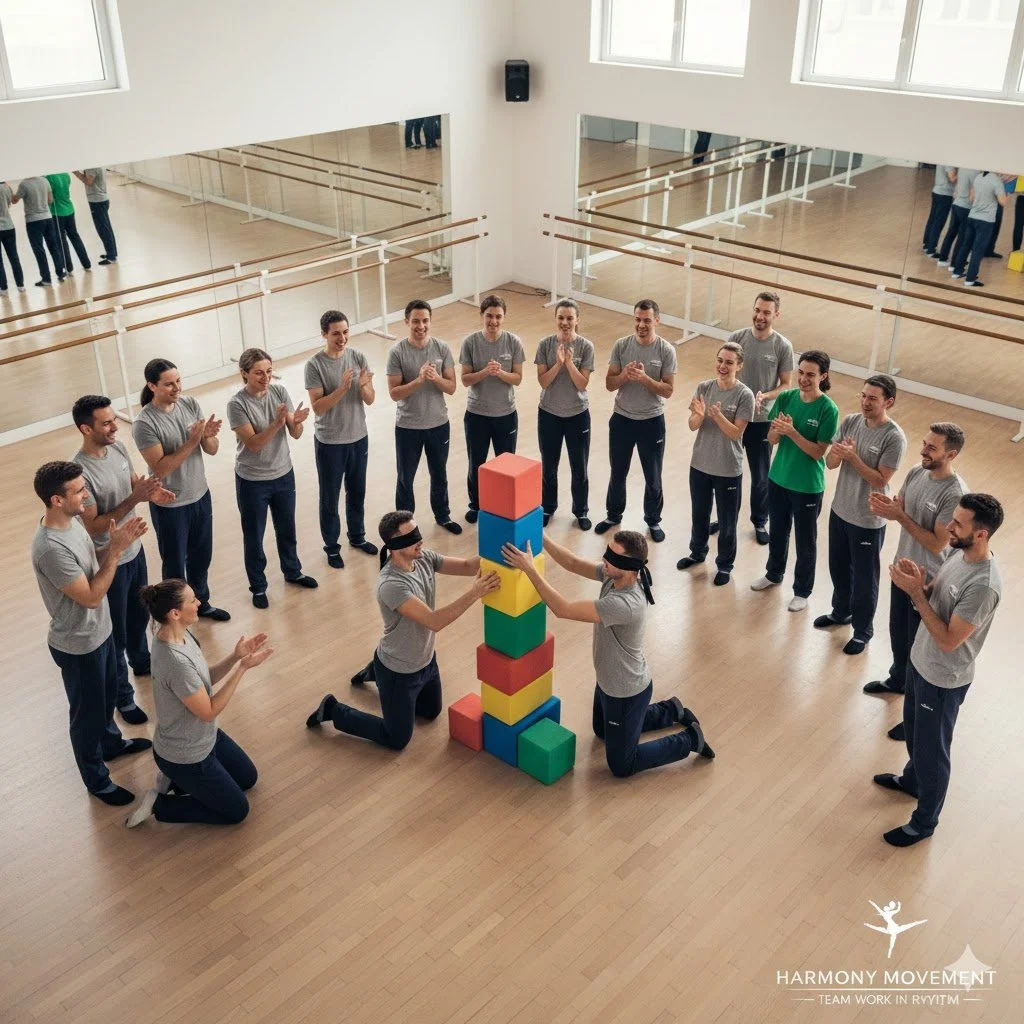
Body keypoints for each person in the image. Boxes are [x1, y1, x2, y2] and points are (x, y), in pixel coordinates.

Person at [503, 532, 715, 777]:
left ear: (628, 566)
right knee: (601, 730)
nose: (605, 559)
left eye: (612, 556)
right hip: (607, 680)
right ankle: (671, 711)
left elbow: (563, 609)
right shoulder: (614, 576)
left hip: (625, 691)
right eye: (607, 551)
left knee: (622, 765)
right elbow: (572, 563)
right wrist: (542, 537)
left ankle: (689, 740)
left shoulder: (626, 604)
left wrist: (530, 570)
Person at [306, 512, 499, 750]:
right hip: (399, 671)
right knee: (396, 739)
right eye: (413, 537)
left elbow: (470, 566)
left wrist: (502, 546)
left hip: (426, 662)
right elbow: (433, 621)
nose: (421, 541)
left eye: (418, 534)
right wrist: (475, 593)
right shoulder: (391, 585)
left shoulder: (424, 558)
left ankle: (373, 672)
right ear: (395, 546)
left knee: (430, 712)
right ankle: (334, 710)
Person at [873, 494, 1003, 847]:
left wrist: (916, 595)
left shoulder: (984, 585)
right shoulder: (958, 554)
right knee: (915, 733)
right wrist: (922, 584)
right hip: (921, 662)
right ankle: (913, 782)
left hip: (943, 679)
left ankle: (924, 821)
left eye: (958, 524)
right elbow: (937, 596)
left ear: (981, 535)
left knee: (933, 752)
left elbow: (949, 640)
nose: (949, 527)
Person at [31, 461, 151, 806]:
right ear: (57, 500)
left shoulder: (72, 522)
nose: (87, 495)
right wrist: (115, 551)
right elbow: (91, 596)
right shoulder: (51, 548)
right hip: (78, 645)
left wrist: (112, 543)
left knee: (108, 697)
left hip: (101, 632)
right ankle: (97, 780)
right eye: (80, 491)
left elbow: (90, 562)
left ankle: (112, 745)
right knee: (88, 717)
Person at [125, 580, 274, 828]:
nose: (199, 603)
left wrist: (236, 656)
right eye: (192, 600)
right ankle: (160, 804)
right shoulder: (175, 662)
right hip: (185, 754)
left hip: (206, 736)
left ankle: (179, 783)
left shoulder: (181, 635)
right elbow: (209, 711)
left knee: (248, 779)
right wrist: (243, 669)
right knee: (237, 811)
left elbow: (204, 681)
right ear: (174, 613)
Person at [71, 395, 175, 725]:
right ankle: (123, 697)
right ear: (86, 429)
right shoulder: (81, 473)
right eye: (106, 422)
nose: (115, 426)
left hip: (135, 550)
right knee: (115, 634)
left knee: (138, 615)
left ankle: (142, 661)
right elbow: (93, 524)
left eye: (114, 419)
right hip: (110, 560)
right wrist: (135, 499)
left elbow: (132, 481)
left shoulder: (117, 447)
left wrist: (150, 491)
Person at [863, 424, 967, 741]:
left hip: (927, 584)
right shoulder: (915, 472)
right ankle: (897, 679)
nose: (923, 450)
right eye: (924, 443)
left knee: (916, 650)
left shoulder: (955, 494)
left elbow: (937, 544)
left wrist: (898, 515)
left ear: (951, 454)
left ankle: (912, 718)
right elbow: (902, 505)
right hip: (903, 572)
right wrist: (890, 507)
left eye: (932, 448)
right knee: (898, 634)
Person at [814, 375, 907, 655]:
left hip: (867, 520)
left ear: (888, 402)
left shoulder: (894, 437)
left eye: (873, 398)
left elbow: (881, 480)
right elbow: (829, 463)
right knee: (838, 568)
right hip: (840, 510)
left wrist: (853, 458)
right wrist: (839, 455)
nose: (865, 402)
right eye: (863, 396)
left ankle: (863, 631)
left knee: (865, 580)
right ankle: (841, 612)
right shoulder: (851, 422)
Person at [133, 358, 231, 621]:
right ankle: (174, 616)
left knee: (201, 556)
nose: (176, 388)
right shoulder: (144, 424)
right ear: (152, 386)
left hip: (200, 495)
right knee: (175, 566)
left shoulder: (189, 404)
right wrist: (193, 440)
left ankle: (201, 604)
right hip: (171, 506)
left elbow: (212, 449)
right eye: (169, 384)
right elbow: (161, 468)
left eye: (178, 381)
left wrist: (208, 436)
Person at [226, 348, 318, 609]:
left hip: (283, 474)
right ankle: (258, 587)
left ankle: (292, 571)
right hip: (252, 481)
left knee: (287, 527)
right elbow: (254, 444)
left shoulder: (279, 391)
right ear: (244, 374)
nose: (265, 377)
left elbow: (295, 433)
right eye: (258, 373)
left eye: (268, 371)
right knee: (254, 535)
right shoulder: (237, 404)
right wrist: (278, 424)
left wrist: (296, 422)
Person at [750, 350, 839, 612]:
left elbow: (817, 452)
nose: (803, 378)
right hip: (779, 478)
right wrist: (779, 431)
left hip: (807, 487)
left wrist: (793, 431)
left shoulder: (828, 409)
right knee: (778, 532)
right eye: (801, 372)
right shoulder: (787, 397)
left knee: (805, 539)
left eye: (810, 374)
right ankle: (773, 573)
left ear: (823, 376)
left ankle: (802, 590)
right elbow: (772, 439)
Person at [711, 292, 794, 544]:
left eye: (767, 312)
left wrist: (766, 396)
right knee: (727, 473)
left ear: (776, 315)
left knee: (760, 477)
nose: (760, 316)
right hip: (733, 420)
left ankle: (759, 521)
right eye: (757, 310)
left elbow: (786, 385)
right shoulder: (737, 338)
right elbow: (724, 371)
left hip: (761, 422)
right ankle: (726, 519)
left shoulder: (782, 346)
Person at [596, 299, 676, 543]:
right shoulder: (621, 346)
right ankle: (613, 515)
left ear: (657, 321)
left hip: (651, 422)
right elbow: (610, 384)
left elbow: (668, 390)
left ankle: (653, 520)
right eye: (638, 320)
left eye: (647, 321)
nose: (641, 325)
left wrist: (644, 379)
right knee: (617, 471)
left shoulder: (666, 350)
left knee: (653, 476)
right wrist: (624, 376)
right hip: (622, 419)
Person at [677, 342, 755, 586]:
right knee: (699, 513)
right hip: (700, 464)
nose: (723, 366)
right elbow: (692, 425)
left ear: (739, 366)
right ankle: (697, 552)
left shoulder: (745, 395)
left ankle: (724, 565)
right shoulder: (704, 387)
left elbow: (735, 433)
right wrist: (699, 416)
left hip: (727, 469)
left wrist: (717, 415)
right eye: (720, 360)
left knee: (727, 520)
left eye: (729, 362)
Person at [305, 309, 377, 568]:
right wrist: (343, 389)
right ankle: (332, 547)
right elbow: (318, 407)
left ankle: (357, 537)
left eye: (345, 332)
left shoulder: (358, 357)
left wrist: (363, 386)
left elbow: (370, 399)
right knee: (330, 497)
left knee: (357, 491)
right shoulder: (314, 365)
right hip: (330, 442)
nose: (342, 338)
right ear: (324, 334)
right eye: (336, 333)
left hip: (358, 437)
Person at [387, 300, 462, 535]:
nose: (421, 325)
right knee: (405, 478)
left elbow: (451, 387)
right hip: (408, 427)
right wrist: (419, 381)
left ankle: (443, 515)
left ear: (430, 321)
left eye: (425, 320)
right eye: (416, 321)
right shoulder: (397, 352)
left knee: (439, 473)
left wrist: (434, 378)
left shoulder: (441, 348)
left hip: (438, 425)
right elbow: (394, 393)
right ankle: (403, 526)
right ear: (407, 322)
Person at [461, 295, 525, 523]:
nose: (493, 321)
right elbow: (466, 380)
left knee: (506, 465)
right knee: (476, 463)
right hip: (477, 415)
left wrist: (500, 373)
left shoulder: (513, 342)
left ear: (504, 318)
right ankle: (476, 505)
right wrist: (485, 372)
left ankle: (504, 507)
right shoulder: (470, 342)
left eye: (498, 316)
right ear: (482, 316)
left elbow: (517, 378)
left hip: (506, 415)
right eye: (489, 316)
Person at [534, 298, 595, 530]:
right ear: (556, 319)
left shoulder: (586, 347)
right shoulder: (545, 345)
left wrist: (569, 363)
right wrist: (558, 364)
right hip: (549, 414)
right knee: (549, 465)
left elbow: (582, 385)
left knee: (579, 466)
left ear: (577, 320)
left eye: (570, 318)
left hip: (577, 415)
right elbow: (543, 382)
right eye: (561, 318)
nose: (565, 322)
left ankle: (581, 510)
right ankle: (548, 507)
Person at [951, 171, 1008, 288]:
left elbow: (971, 198)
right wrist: (1006, 195)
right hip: (985, 221)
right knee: (977, 250)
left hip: (972, 216)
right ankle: (970, 279)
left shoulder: (978, 177)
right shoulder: (996, 181)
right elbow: (1003, 202)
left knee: (966, 245)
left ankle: (957, 271)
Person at [12, 176, 65, 286]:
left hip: (33, 221)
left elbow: (14, 200)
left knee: (39, 250)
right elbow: (50, 200)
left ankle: (46, 278)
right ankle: (60, 272)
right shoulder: (44, 180)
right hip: (48, 217)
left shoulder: (24, 184)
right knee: (53, 247)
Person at [45, 172, 92, 273]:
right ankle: (86, 263)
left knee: (61, 241)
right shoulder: (66, 175)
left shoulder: (48, 177)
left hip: (57, 213)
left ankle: (68, 267)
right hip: (69, 209)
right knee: (75, 237)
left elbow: (49, 197)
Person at [73, 168, 118, 265]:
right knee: (107, 228)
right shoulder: (96, 163)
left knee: (103, 229)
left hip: (97, 201)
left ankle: (111, 256)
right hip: (101, 199)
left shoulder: (92, 167)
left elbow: (88, 182)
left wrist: (76, 173)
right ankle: (112, 253)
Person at [935, 166, 977, 267]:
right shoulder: (976, 173)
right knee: (962, 237)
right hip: (966, 207)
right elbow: (973, 193)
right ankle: (954, 263)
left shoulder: (962, 168)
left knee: (951, 233)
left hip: (956, 203)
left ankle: (942, 259)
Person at [921, 165, 956, 257]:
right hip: (944, 194)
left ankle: (927, 244)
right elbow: (952, 178)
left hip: (937, 191)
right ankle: (931, 249)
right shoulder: (950, 161)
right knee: (938, 222)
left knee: (932, 219)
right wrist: (963, 174)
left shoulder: (943, 157)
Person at [0, 180, 25, 294]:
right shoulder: (6, 187)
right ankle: (20, 285)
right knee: (14, 257)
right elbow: (10, 203)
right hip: (9, 226)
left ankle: (3, 288)